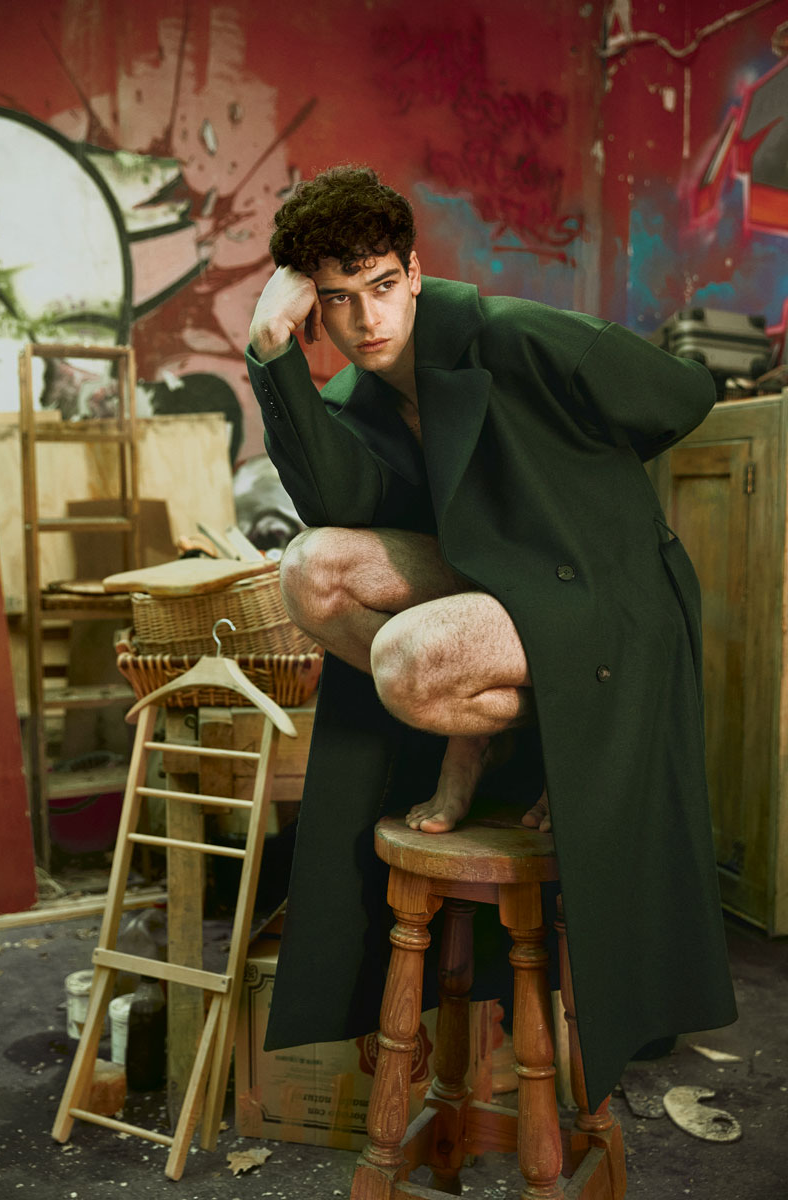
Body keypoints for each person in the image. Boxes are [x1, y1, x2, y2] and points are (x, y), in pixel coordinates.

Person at [245, 165, 736, 1112]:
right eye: (336, 300)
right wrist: (272, 350)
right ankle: (499, 725)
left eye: (380, 285)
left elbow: (681, 394)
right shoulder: (360, 396)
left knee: (408, 661)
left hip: (600, 592)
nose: (365, 319)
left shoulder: (511, 334)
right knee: (307, 569)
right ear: (315, 310)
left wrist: (570, 484)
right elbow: (337, 504)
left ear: (414, 272)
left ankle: (491, 735)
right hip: (497, 588)